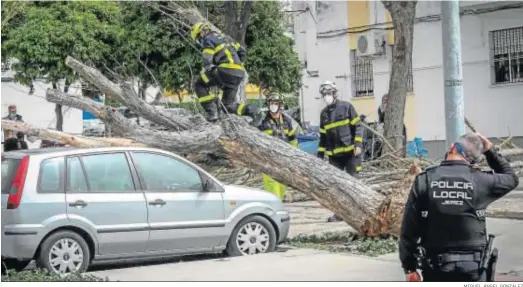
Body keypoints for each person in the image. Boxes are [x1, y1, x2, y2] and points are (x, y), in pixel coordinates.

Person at [399, 133, 519, 282]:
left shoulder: (425, 180)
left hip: (435, 268)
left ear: (452, 148)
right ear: (474, 159)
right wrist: (490, 151)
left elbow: (408, 229)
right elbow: (511, 179)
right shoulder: (482, 180)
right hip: (473, 269)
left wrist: (409, 268)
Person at [190, 22, 263, 126]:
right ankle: (253, 110)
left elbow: (207, 58)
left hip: (224, 72)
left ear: (201, 33)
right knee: (227, 106)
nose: (199, 41)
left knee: (198, 84)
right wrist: (238, 64)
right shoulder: (228, 38)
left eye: (198, 38)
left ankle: (212, 112)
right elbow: (242, 51)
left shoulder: (208, 39)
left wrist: (209, 68)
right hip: (238, 74)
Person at [316, 81, 364, 222]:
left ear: (335, 93)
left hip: (351, 154)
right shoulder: (323, 114)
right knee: (335, 187)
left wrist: (358, 144)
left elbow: (358, 126)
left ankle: (358, 213)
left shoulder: (347, 107)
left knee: (353, 184)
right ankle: (339, 214)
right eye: (324, 94)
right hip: (334, 156)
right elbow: (323, 137)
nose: (327, 97)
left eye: (329, 93)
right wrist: (319, 156)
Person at [259, 93, 299, 201]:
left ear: (280, 105)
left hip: (284, 160)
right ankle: (275, 209)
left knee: (282, 186)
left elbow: (293, 140)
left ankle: (278, 207)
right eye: (271, 103)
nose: (273, 105)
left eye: (276, 103)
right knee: (272, 187)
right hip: (268, 160)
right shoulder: (262, 121)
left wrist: (293, 157)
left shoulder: (287, 121)